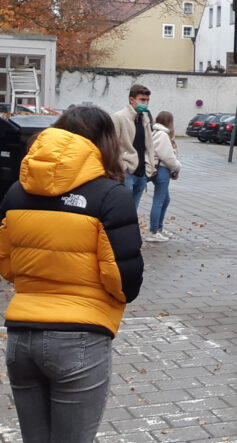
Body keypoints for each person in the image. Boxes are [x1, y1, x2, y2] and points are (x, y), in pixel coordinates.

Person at [0, 106, 144, 443]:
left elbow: (7, 264)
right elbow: (124, 282)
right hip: (80, 336)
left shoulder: (17, 192)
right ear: (106, 142)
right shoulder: (111, 195)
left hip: (21, 336)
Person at [112, 84, 157, 212]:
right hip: (127, 172)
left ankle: (130, 232)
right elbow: (112, 146)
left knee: (133, 211)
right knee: (123, 210)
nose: (146, 103)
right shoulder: (118, 117)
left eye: (147, 100)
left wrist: (149, 164)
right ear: (132, 100)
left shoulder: (144, 118)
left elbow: (148, 145)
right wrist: (122, 167)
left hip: (142, 172)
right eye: (142, 100)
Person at [146, 111, 181, 242]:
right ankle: (154, 231)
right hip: (161, 168)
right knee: (160, 200)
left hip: (156, 167)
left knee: (165, 200)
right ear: (170, 122)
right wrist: (176, 168)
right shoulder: (163, 134)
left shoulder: (154, 131)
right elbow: (167, 156)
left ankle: (159, 228)